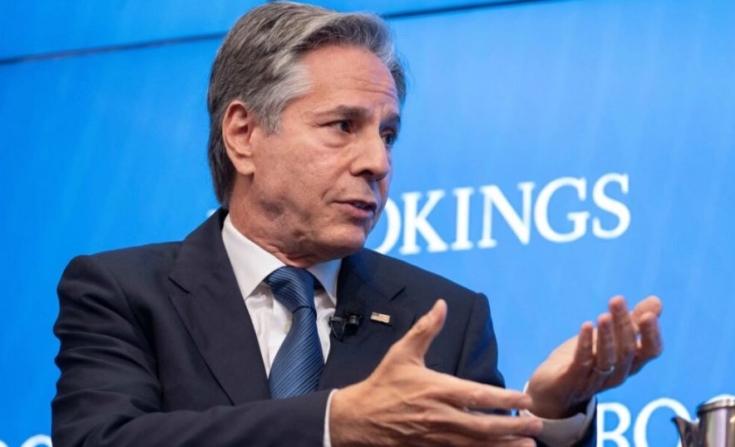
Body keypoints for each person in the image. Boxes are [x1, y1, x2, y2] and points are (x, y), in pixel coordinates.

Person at [52, 2, 663, 447]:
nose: (377, 161)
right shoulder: (124, 293)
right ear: (243, 135)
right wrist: (332, 424)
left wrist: (553, 415)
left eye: (388, 134)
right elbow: (100, 441)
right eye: (343, 125)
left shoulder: (444, 317)